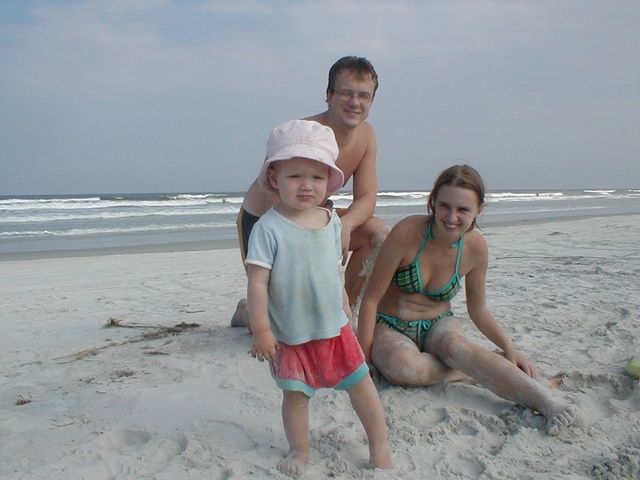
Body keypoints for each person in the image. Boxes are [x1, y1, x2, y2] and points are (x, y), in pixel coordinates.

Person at [357, 164, 577, 436]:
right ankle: (478, 368)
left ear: (478, 210)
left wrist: (509, 347)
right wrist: (364, 358)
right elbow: (371, 299)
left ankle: (547, 402)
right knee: (403, 367)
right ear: (433, 202)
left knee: (457, 347)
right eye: (444, 206)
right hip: (390, 326)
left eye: (463, 209)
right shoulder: (406, 232)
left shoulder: (475, 247)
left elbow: (478, 309)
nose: (452, 217)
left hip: (439, 323)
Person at [246, 119, 392, 477]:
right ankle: (299, 449)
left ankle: (379, 446)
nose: (306, 185)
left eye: (316, 176)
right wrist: (261, 330)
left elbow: (331, 270)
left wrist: (344, 306)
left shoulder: (332, 221)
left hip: (335, 328)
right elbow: (258, 283)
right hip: (291, 334)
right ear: (274, 178)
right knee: (296, 396)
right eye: (295, 176)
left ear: (328, 180)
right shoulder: (268, 228)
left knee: (361, 386)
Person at [232, 56, 389, 329]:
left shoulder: (366, 135)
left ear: (372, 101)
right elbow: (274, 194)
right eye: (346, 93)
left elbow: (366, 198)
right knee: (283, 324)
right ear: (329, 96)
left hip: (316, 213)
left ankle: (342, 318)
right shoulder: (299, 134)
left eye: (363, 96)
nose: (355, 102)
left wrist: (346, 225)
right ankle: (246, 311)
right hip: (267, 219)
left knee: (378, 234)